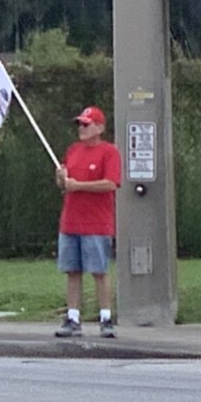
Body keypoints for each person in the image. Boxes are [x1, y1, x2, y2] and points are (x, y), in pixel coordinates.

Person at [54, 106, 122, 338]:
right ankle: (73, 317)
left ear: (99, 128)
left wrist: (79, 186)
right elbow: (64, 183)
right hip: (71, 221)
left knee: (99, 270)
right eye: (80, 125)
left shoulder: (109, 152)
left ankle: (106, 317)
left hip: (96, 223)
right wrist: (61, 178)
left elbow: (111, 183)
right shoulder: (73, 150)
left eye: (86, 124)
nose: (81, 129)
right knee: (72, 270)